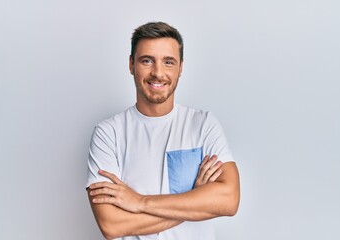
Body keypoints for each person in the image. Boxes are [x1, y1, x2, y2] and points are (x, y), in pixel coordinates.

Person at [86, 21, 240, 240]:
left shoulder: (203, 124)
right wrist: (196, 200)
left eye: (168, 62)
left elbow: (229, 200)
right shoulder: (108, 134)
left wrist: (139, 202)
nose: (158, 73)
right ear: (131, 65)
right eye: (147, 61)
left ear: (181, 67)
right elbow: (112, 225)